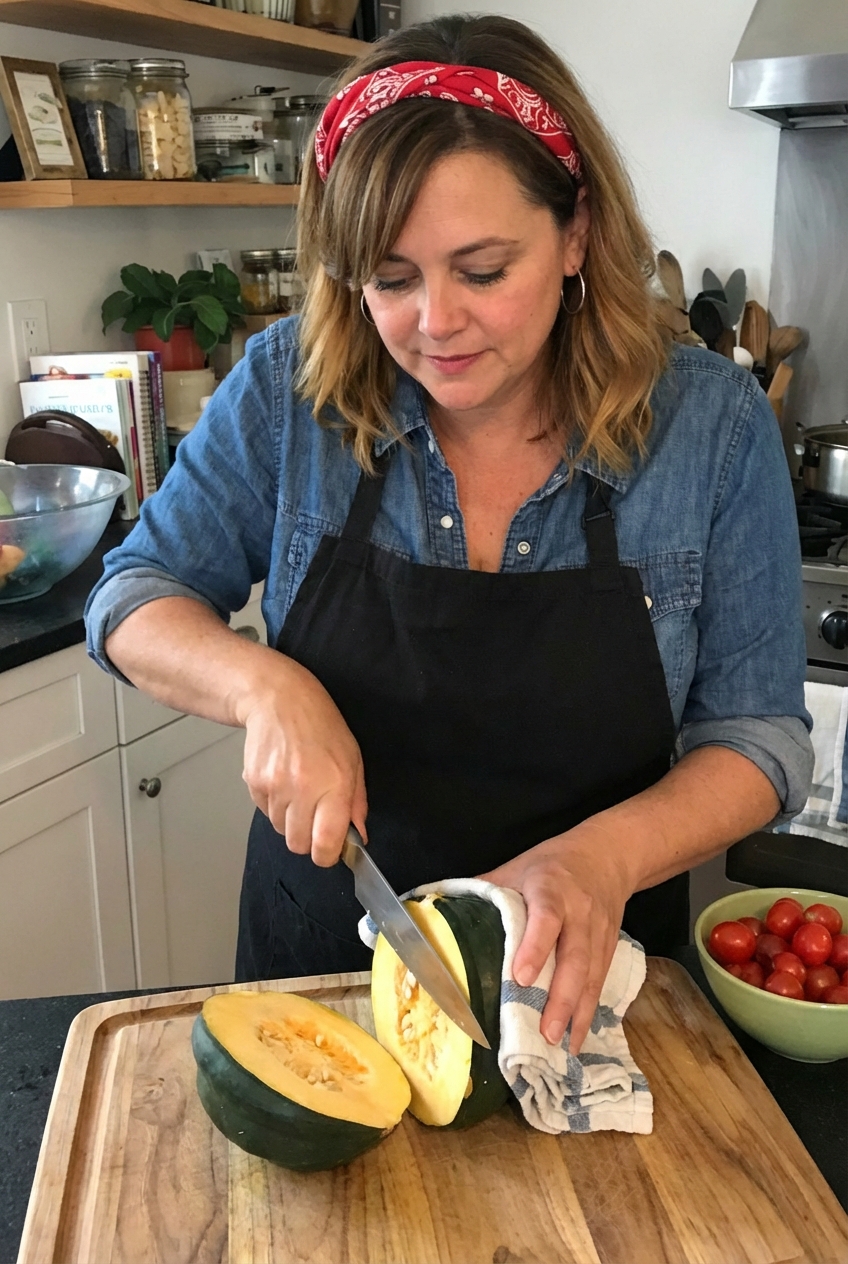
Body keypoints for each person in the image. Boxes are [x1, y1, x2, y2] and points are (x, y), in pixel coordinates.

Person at [85, 14, 813, 1056]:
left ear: (574, 233)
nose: (434, 322)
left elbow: (757, 737)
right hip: (321, 981)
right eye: (389, 277)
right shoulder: (290, 391)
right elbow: (131, 594)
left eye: (480, 270)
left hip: (587, 986)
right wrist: (263, 686)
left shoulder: (710, 428)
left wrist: (598, 859)